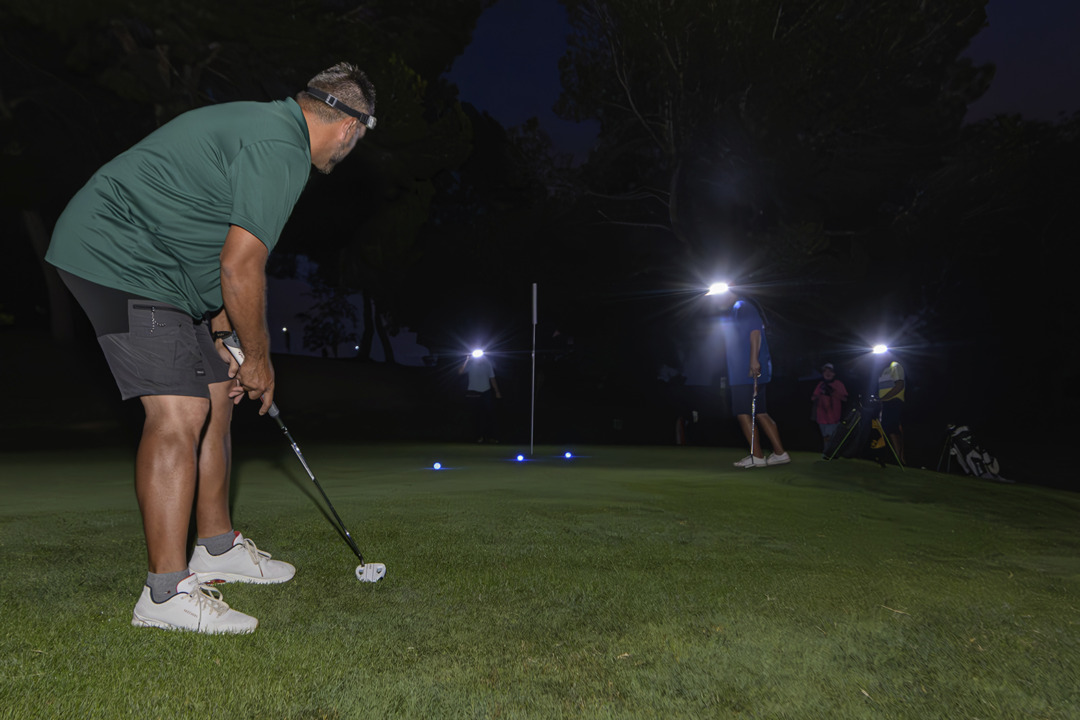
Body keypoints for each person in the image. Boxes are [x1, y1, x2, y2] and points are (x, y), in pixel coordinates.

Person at [45, 63, 377, 634]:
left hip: (163, 271)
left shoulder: (267, 129)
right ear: (350, 127)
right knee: (181, 409)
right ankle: (165, 594)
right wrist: (260, 357)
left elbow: (216, 251)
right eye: (361, 137)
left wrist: (228, 341)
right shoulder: (283, 149)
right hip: (118, 254)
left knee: (217, 392)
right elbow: (240, 265)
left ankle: (217, 548)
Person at [713, 290, 790, 468]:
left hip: (745, 372)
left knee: (743, 413)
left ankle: (757, 456)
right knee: (761, 412)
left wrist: (753, 360)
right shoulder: (738, 308)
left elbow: (755, 332)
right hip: (745, 370)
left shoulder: (742, 306)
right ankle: (780, 453)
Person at [459, 351, 502, 443]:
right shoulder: (470, 363)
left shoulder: (487, 363)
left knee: (489, 415)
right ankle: (478, 437)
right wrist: (466, 360)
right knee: (475, 415)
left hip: (486, 391)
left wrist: (497, 391)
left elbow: (492, 377)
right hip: (473, 391)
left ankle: (491, 437)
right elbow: (460, 372)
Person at [811, 362, 849, 450]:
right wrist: (821, 393)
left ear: (834, 373)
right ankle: (828, 454)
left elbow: (845, 399)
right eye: (825, 371)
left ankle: (830, 454)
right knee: (826, 437)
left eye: (830, 371)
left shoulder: (838, 383)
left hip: (833, 417)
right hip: (821, 416)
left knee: (831, 437)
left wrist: (832, 392)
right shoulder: (821, 384)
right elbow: (813, 398)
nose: (828, 373)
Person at [877, 356, 906, 464]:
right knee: (886, 429)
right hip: (885, 403)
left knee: (893, 429)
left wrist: (884, 398)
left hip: (894, 401)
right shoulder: (882, 370)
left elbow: (899, 385)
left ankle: (900, 458)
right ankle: (891, 457)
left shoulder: (895, 366)